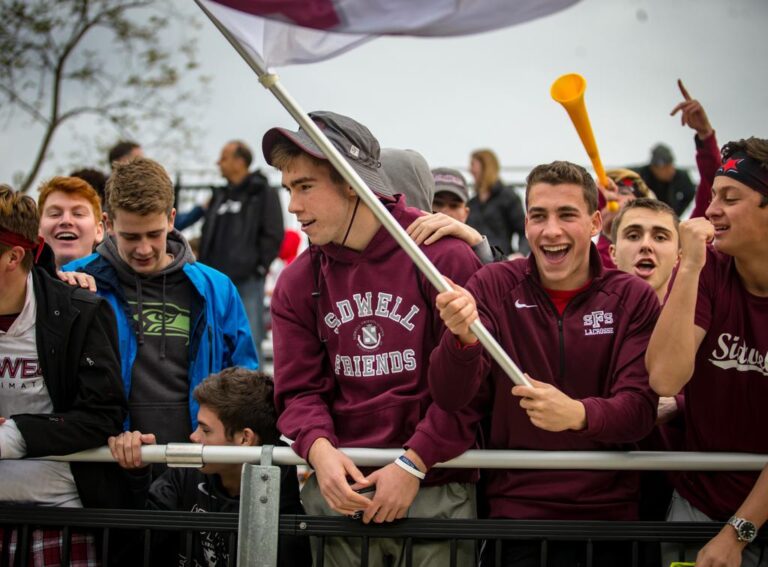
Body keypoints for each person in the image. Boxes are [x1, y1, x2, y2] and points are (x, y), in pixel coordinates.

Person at [264, 110, 482, 566]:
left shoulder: (442, 256)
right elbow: (299, 390)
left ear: (351, 181)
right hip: (342, 492)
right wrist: (319, 452)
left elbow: (472, 391)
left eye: (305, 187)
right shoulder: (297, 281)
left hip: (434, 486)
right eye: (289, 189)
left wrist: (413, 463)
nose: (293, 206)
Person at [428, 161, 660, 567]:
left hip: (611, 523)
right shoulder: (493, 284)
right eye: (538, 216)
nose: (550, 230)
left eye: (566, 214)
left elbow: (640, 410)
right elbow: (450, 396)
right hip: (516, 520)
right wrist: (461, 340)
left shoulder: (634, 297)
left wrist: (578, 414)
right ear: (526, 222)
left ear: (594, 222)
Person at [63, 157, 258, 448]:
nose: (143, 248)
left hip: (197, 462)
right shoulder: (74, 281)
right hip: (106, 457)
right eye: (130, 236)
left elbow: (244, 380)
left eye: (154, 234)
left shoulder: (217, 288)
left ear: (171, 219)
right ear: (108, 223)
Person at [646, 137, 768, 567]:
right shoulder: (710, 268)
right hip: (697, 502)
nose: (711, 209)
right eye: (712, 195)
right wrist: (691, 266)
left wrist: (738, 533)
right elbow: (664, 377)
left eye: (730, 198)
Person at [0, 184, 127, 563]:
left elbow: (102, 415)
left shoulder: (78, 312)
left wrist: (12, 435)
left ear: (12, 256)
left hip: (56, 509)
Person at [108, 367, 311, 567]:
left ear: (244, 438)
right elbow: (138, 543)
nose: (193, 436)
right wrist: (137, 474)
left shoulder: (284, 505)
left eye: (205, 429)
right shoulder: (186, 472)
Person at [197, 140, 284, 362]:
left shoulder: (262, 192)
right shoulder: (219, 196)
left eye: (224, 157)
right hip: (214, 282)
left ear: (240, 161)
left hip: (247, 281)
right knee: (212, 339)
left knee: (249, 339)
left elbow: (274, 233)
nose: (218, 162)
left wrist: (258, 265)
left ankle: (249, 395)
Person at [466, 148, 527, 256]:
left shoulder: (508, 197)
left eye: (473, 164)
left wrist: (520, 253)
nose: (470, 169)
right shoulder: (472, 204)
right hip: (475, 262)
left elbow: (524, 231)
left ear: (485, 166)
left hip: (501, 260)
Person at [37, 176, 104, 268]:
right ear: (38, 229)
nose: (66, 221)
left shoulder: (120, 280)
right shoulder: (21, 279)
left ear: (99, 231)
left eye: (78, 214)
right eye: (54, 214)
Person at [635, 142, 695, 216]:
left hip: (667, 215)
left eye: (671, 165)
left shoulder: (681, 176)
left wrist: (675, 213)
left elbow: (690, 193)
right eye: (665, 168)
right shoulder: (640, 176)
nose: (671, 171)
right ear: (653, 168)